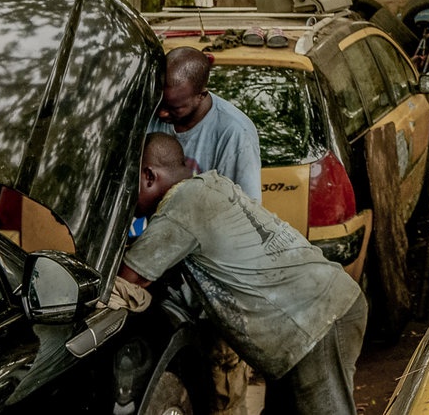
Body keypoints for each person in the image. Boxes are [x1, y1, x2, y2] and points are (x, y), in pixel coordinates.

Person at [120, 134, 366, 415]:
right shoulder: (209, 184)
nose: (125, 197)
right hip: (318, 313)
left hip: (318, 322)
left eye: (128, 185)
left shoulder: (182, 207)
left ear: (149, 175)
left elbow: (131, 278)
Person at [161, 47, 262, 201]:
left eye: (174, 108)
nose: (161, 113)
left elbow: (247, 213)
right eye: (159, 102)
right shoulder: (147, 111)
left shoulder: (236, 133)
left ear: (201, 96)